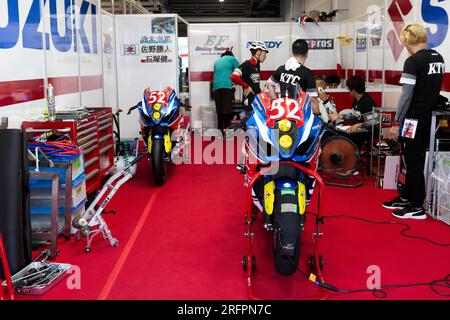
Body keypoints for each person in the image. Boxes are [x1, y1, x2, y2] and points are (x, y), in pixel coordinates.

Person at [383, 24, 444, 220]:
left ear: (409, 41)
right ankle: (408, 197)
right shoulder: (438, 58)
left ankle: (417, 206)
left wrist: (397, 121)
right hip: (428, 118)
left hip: (413, 119)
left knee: (413, 162)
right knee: (412, 159)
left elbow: (406, 96)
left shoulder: (413, 61)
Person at [266, 39, 319, 114]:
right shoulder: (308, 73)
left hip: (282, 111)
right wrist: (318, 115)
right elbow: (313, 99)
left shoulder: (282, 69)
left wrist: (275, 100)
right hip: (299, 114)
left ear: (292, 53)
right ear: (307, 53)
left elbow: (269, 84)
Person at [230, 41, 268, 120]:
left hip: (257, 100)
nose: (265, 56)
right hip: (249, 102)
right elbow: (233, 77)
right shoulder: (246, 64)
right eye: (264, 53)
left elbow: (255, 83)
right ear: (258, 52)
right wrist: (246, 86)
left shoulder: (257, 65)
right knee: (250, 127)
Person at [213, 50, 240, 132]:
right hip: (226, 86)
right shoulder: (232, 58)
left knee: (219, 111)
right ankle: (227, 132)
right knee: (226, 110)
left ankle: (220, 132)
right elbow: (240, 69)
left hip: (216, 87)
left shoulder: (217, 61)